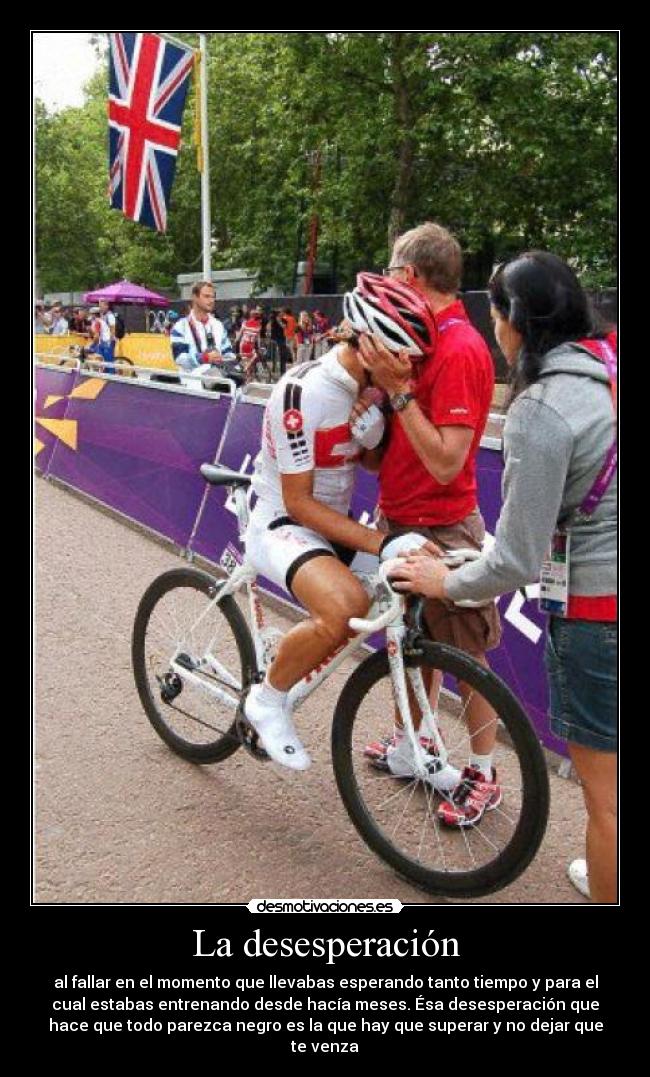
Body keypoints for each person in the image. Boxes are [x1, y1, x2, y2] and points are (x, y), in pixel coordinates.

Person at [390, 251, 617, 902]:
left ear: (514, 322)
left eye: (496, 312)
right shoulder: (610, 368)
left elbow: (515, 560)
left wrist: (442, 581)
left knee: (607, 806)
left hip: (599, 618)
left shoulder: (540, 408)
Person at [242, 281, 443, 773]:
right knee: (345, 605)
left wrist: (374, 440)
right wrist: (385, 540)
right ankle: (267, 698)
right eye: (405, 357)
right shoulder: (301, 392)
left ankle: (406, 743)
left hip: (331, 526)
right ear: (372, 344)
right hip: (282, 521)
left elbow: (369, 464)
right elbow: (301, 504)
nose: (409, 371)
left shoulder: (371, 389)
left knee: (418, 580)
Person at [352, 222, 501, 827]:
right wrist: (368, 433)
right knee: (410, 646)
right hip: (399, 519)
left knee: (467, 660)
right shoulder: (411, 337)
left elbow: (445, 461)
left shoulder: (461, 347)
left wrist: (398, 393)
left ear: (409, 276)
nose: (386, 283)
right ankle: (416, 744)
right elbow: (401, 447)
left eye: (390, 271)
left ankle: (485, 776)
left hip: (445, 529)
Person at [170, 281, 239, 384]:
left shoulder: (218, 325)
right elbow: (179, 358)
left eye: (213, 297)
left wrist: (232, 361)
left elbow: (228, 353)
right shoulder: (180, 326)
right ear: (194, 297)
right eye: (206, 296)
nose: (211, 300)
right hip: (191, 388)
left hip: (217, 386)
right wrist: (204, 358)